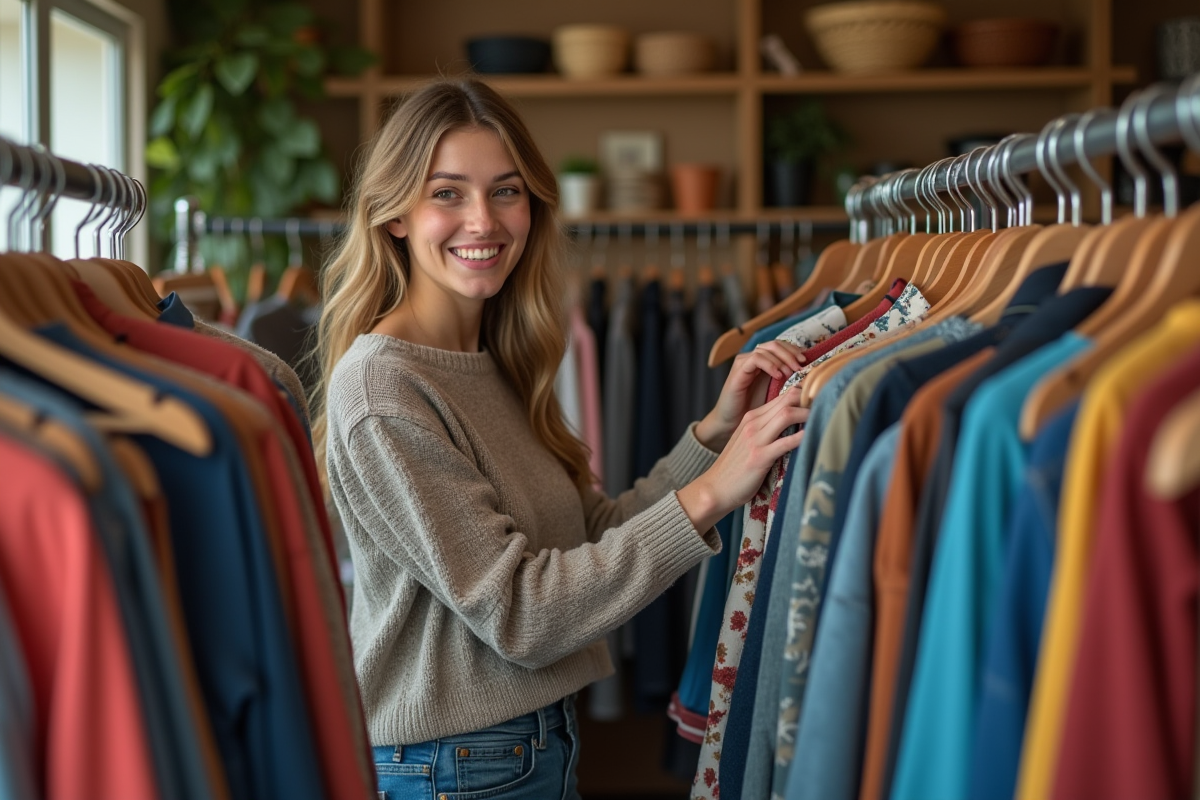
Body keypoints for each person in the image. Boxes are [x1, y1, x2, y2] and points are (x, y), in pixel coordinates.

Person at [311, 77, 809, 800]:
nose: (483, 221)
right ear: (393, 215)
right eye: (447, 193)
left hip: (520, 750)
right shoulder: (385, 391)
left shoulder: (498, 361)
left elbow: (588, 537)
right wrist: (710, 494)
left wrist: (714, 433)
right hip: (456, 768)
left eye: (506, 191)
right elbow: (521, 614)